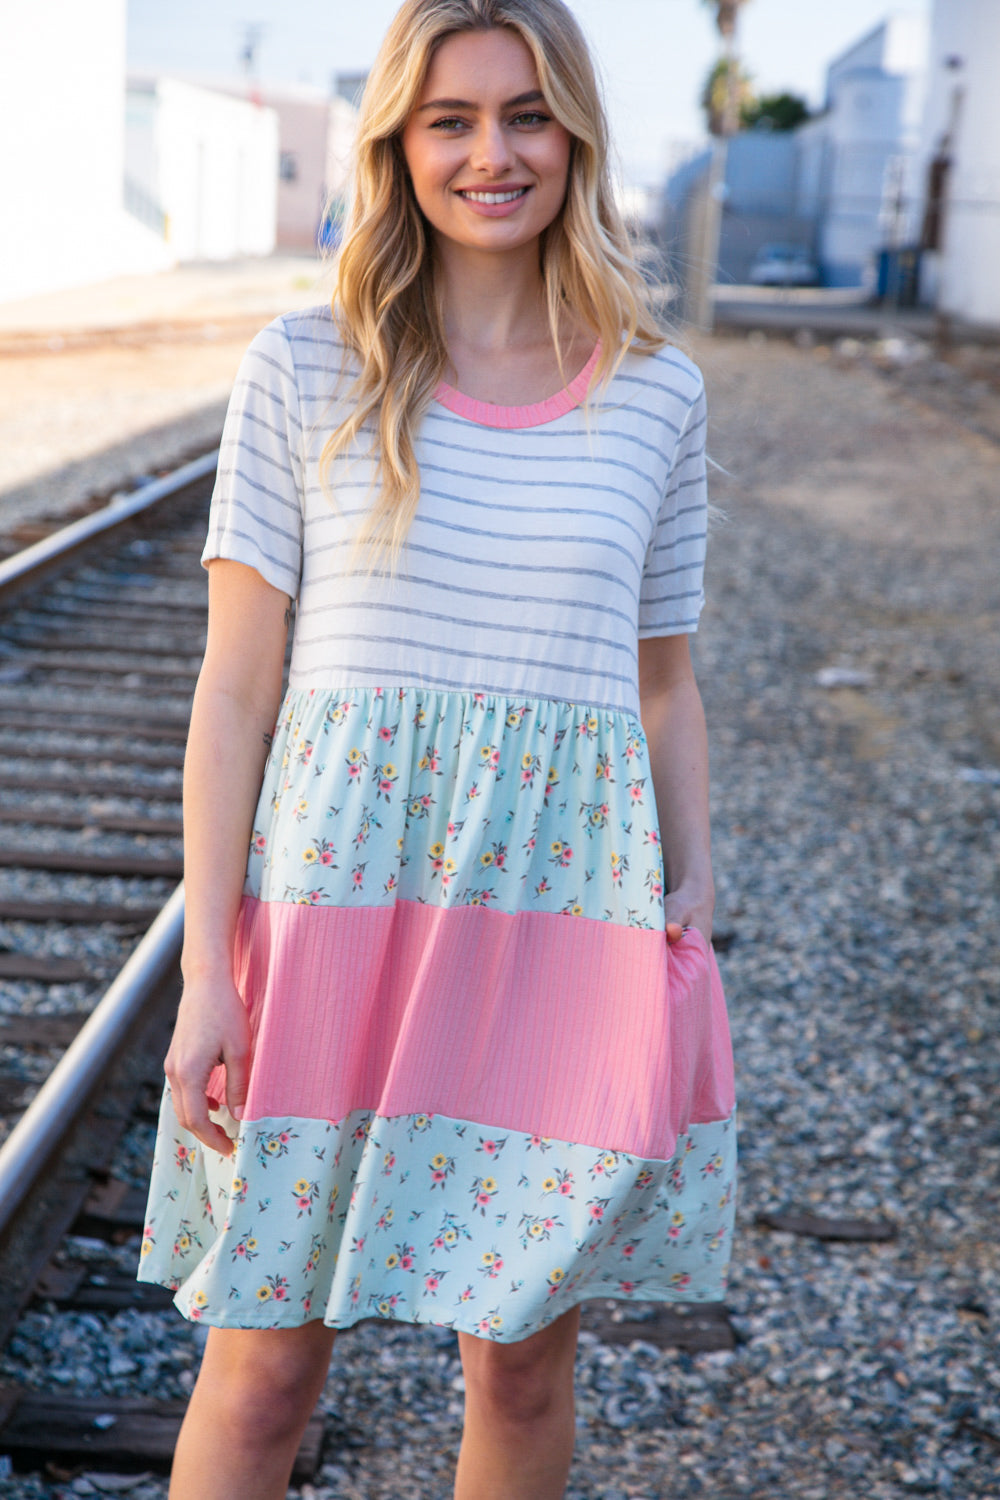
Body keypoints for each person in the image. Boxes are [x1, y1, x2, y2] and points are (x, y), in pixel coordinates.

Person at [137, 2, 737, 1496]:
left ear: (576, 136)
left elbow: (665, 685)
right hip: (332, 921)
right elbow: (235, 692)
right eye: (451, 120)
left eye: (527, 115)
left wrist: (692, 889)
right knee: (264, 1368)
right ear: (398, 145)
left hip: (557, 931)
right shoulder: (303, 368)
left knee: (520, 1365)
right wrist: (209, 971)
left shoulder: (657, 393)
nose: (492, 154)